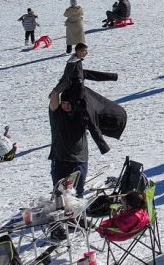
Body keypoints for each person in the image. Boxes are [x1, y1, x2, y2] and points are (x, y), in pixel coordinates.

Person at [48, 43, 118, 195]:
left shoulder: (81, 112)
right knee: (59, 194)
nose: (65, 106)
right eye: (63, 103)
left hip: (80, 160)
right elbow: (63, 83)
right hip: (60, 160)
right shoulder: (56, 113)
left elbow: (89, 74)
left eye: (68, 103)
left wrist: (112, 77)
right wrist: (57, 90)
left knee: (78, 194)